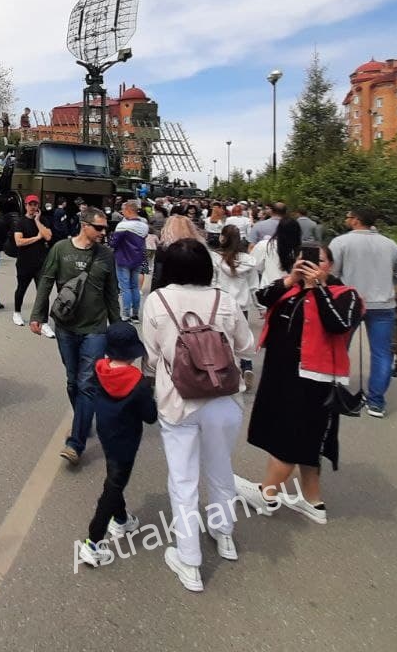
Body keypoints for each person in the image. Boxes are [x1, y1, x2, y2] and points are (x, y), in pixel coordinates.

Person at [140, 239, 257, 592]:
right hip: (223, 399)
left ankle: (189, 561)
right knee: (220, 468)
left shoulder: (157, 301)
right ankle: (224, 536)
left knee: (183, 479)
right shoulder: (224, 299)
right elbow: (246, 345)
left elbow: (150, 355)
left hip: (178, 400)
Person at [238, 243, 364, 527]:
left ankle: (266, 494)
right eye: (303, 258)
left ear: (330, 265)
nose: (308, 264)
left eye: (317, 260)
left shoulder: (346, 295)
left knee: (291, 438)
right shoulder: (291, 288)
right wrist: (291, 279)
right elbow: (263, 297)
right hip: (281, 374)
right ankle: (312, 500)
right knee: (307, 441)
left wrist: (318, 287)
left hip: (315, 379)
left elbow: (339, 323)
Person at [31, 209, 120, 465]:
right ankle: (83, 416)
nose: (104, 233)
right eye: (99, 228)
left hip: (95, 330)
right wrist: (37, 315)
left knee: (86, 383)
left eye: (106, 228)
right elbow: (46, 281)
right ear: (84, 226)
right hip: (66, 328)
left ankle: (76, 443)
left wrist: (116, 330)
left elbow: (112, 294)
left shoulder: (106, 255)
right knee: (72, 381)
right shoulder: (60, 249)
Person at [75, 321, 158, 569]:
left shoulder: (100, 369)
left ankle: (121, 519)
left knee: (115, 477)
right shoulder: (139, 383)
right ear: (133, 354)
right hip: (126, 441)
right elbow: (150, 416)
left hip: (106, 433)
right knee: (113, 485)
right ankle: (93, 541)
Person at [328, 208, 397, 418]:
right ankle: (376, 402)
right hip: (383, 304)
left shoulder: (340, 243)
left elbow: (331, 274)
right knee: (382, 353)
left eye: (348, 216)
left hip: (350, 303)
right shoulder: (390, 244)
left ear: (356, 220)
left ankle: (334, 390)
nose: (346, 219)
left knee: (339, 347)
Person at [211, 224, 259, 388]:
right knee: (242, 337)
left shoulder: (216, 258)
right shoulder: (248, 261)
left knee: (221, 339)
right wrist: (260, 307)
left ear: (223, 238)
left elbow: (212, 282)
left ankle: (225, 371)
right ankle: (246, 366)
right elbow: (254, 286)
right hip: (242, 305)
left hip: (221, 303)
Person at [12, 194, 52, 331]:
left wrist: (37, 221)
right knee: (21, 289)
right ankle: (17, 313)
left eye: (35, 204)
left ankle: (44, 322)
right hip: (24, 263)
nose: (33, 207)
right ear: (26, 205)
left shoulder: (43, 220)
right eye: (30, 204)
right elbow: (19, 242)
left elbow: (47, 236)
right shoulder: (20, 222)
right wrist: (36, 238)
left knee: (43, 292)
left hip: (41, 263)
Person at [110, 200, 149, 321]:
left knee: (124, 288)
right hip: (137, 259)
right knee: (135, 287)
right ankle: (136, 314)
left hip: (122, 259)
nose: (122, 212)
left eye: (123, 210)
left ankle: (126, 314)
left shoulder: (122, 225)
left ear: (128, 210)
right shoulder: (144, 225)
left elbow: (114, 243)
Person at [150, 213, 204, 292]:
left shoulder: (163, 248)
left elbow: (158, 275)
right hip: (194, 289)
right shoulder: (198, 248)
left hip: (170, 289)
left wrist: (155, 292)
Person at [251, 216, 303, 290]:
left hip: (269, 290)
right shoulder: (301, 250)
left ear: (278, 230)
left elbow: (254, 267)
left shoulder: (265, 245)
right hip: (293, 292)